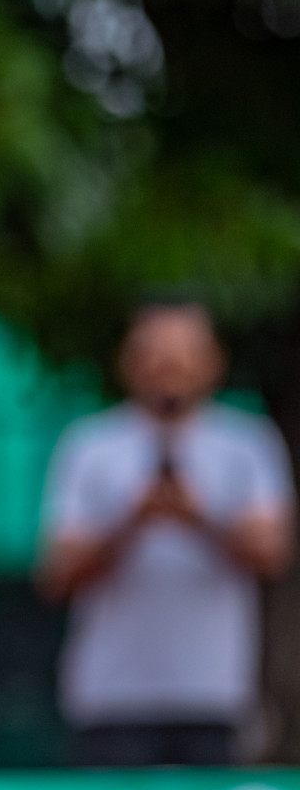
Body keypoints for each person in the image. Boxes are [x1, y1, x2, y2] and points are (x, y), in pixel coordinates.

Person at [38, 303, 294, 766]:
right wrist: (133, 523)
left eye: (183, 355)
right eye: (157, 354)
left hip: (215, 694)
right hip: (111, 698)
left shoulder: (248, 444)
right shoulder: (91, 446)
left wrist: (198, 518)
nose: (169, 368)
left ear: (213, 362)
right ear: (129, 362)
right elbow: (57, 574)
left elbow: (272, 554)